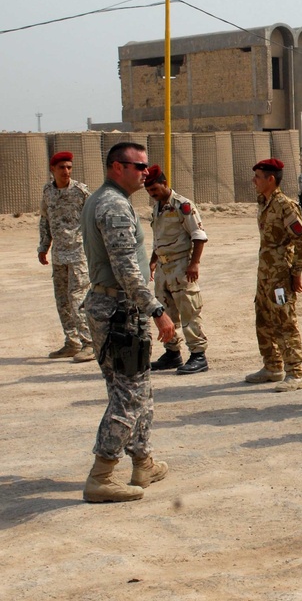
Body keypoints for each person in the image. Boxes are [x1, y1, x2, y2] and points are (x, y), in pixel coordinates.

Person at [80, 141, 175, 503]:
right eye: (138, 167)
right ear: (116, 167)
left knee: (136, 390)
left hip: (113, 306)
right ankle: (101, 475)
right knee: (129, 395)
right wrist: (157, 310)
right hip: (121, 310)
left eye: (146, 166)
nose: (145, 173)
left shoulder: (102, 200)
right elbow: (127, 271)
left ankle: (143, 461)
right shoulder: (115, 206)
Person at [245, 158, 302, 392]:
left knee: (285, 320)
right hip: (265, 274)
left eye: (258, 177)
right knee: (262, 319)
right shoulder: (264, 202)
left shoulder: (285, 205)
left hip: (280, 276)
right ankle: (272, 366)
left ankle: (295, 371)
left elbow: (301, 240)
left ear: (270, 179)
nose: (254, 181)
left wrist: (297, 272)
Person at [144, 165, 210, 375]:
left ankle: (198, 355)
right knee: (164, 311)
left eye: (154, 189)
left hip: (181, 266)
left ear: (164, 183)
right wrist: (154, 260)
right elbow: (158, 239)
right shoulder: (158, 207)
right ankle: (172, 353)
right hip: (164, 268)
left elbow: (198, 236)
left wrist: (194, 264)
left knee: (189, 310)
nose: (152, 194)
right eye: (149, 191)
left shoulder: (183, 206)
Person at [38, 151, 94, 363]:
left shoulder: (81, 191)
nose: (66, 171)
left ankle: (89, 343)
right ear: (52, 170)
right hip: (59, 255)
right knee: (62, 299)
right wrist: (43, 246)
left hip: (79, 253)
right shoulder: (47, 191)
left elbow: (95, 218)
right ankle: (72, 342)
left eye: (69, 167)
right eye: (62, 167)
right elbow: (45, 219)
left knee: (77, 298)